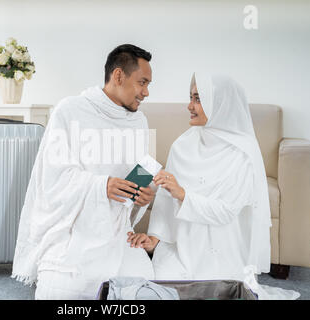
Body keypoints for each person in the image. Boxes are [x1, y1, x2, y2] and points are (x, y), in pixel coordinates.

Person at [127, 73, 300, 299]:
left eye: (198, 99)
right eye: (191, 97)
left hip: (223, 249)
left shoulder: (242, 153)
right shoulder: (183, 144)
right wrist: (156, 238)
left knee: (220, 290)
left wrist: (182, 194)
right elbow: (165, 200)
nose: (189, 106)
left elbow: (226, 212)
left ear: (219, 104)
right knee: (160, 289)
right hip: (183, 247)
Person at [12, 44, 156, 300]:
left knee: (144, 286)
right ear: (119, 75)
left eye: (148, 85)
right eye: (142, 82)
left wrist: (143, 195)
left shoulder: (139, 122)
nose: (146, 92)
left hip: (115, 229)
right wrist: (102, 186)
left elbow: (139, 175)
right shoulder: (70, 110)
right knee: (63, 290)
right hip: (73, 228)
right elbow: (52, 179)